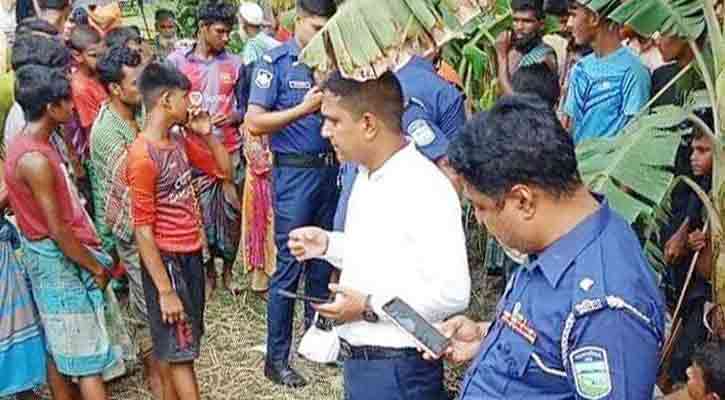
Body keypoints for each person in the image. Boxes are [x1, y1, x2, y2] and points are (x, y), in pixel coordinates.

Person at [435, 95, 665, 399]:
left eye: (480, 207)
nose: (478, 220)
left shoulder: (604, 310)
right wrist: (488, 334)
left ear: (523, 201)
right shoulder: (558, 242)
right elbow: (551, 347)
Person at [288, 71, 471, 400]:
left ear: (368, 124)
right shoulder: (367, 175)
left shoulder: (424, 186)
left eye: (333, 120)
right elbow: (384, 253)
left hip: (399, 369)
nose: (324, 131)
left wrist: (369, 306)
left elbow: (451, 292)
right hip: (365, 364)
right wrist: (329, 245)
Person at [5, 64, 128, 400]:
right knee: (88, 361)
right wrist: (95, 267)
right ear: (51, 107)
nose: (73, 108)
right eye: (67, 102)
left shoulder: (22, 144)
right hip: (58, 262)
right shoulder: (36, 160)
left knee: (57, 346)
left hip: (41, 257)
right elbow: (58, 229)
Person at [245, 0, 338, 387]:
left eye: (325, 28)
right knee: (289, 265)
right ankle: (276, 357)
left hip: (330, 172)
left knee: (324, 257)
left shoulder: (336, 62)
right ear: (297, 22)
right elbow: (254, 121)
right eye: (314, 27)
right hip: (294, 174)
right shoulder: (276, 62)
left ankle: (315, 340)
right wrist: (303, 110)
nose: (319, 35)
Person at [128, 62, 231, 400]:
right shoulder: (143, 156)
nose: (192, 103)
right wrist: (165, 290)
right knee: (181, 353)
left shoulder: (178, 142)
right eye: (187, 97)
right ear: (167, 100)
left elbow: (224, 172)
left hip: (189, 256)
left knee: (179, 349)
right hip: (167, 261)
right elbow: (142, 230)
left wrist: (207, 134)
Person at [89, 45, 170, 400]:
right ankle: (155, 371)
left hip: (153, 226)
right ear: (114, 89)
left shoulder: (139, 111)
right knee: (146, 302)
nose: (144, 87)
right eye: (136, 82)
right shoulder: (107, 131)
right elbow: (131, 189)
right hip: (133, 231)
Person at [168, 0, 243, 297]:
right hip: (191, 155)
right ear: (202, 28)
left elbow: (247, 107)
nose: (225, 38)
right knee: (200, 217)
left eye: (228, 33)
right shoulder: (177, 63)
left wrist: (233, 117)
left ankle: (227, 273)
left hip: (228, 151)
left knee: (231, 216)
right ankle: (208, 272)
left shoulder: (236, 65)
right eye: (220, 31)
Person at [663, 126, 714, 387]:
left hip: (707, 295)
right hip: (685, 289)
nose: (695, 157)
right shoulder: (688, 191)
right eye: (693, 150)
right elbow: (671, 250)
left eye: (703, 151)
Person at [237, 1, 281, 293]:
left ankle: (263, 277)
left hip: (264, 181)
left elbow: (259, 163)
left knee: (261, 224)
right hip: (269, 177)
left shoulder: (255, 119)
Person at [563, 0, 651, 144]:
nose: (569, 24)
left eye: (574, 16)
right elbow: (569, 124)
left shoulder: (633, 71)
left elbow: (635, 135)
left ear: (594, 18)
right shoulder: (580, 68)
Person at [496, 0, 557, 96]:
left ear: (541, 25)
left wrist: (502, 57)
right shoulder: (513, 50)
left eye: (527, 21)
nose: (519, 27)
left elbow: (521, 103)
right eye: (515, 20)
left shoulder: (543, 57)